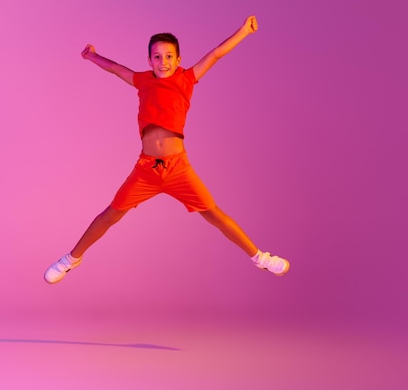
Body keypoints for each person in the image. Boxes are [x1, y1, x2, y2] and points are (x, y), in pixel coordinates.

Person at [44, 16, 289, 284]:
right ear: (149, 61)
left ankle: (260, 258)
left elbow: (216, 54)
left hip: (177, 168)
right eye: (157, 57)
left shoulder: (187, 78)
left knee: (214, 214)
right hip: (147, 167)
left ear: (179, 59)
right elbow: (115, 68)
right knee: (110, 214)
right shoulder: (142, 81)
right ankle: (71, 259)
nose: (163, 62)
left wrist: (243, 31)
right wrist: (92, 56)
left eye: (169, 56)